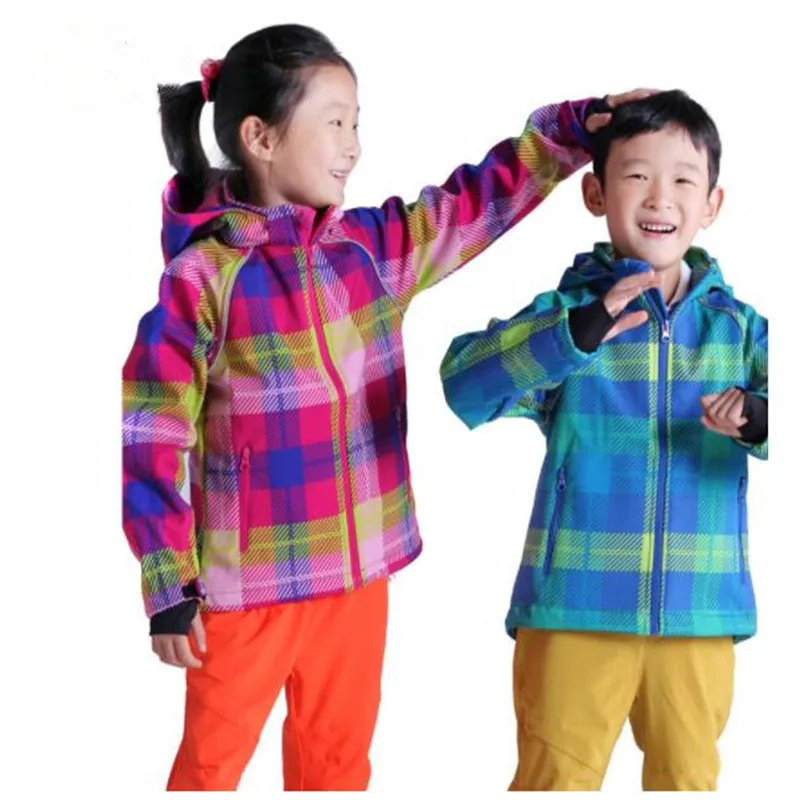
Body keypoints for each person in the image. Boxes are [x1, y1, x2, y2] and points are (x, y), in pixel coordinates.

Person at [121, 21, 648, 792]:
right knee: (210, 767)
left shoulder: (370, 251)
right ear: (261, 138)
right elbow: (153, 431)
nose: (353, 145)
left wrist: (570, 133)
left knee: (337, 765)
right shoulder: (203, 279)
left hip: (356, 576)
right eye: (335, 123)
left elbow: (475, 203)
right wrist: (169, 583)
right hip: (244, 588)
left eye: (356, 123)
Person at [439, 89, 768, 791]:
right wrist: (576, 335)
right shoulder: (569, 315)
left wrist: (759, 417)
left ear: (712, 204)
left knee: (688, 782)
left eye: (683, 180)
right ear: (595, 193)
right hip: (574, 606)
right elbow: (465, 383)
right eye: (636, 175)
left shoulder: (741, 330)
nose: (660, 198)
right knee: (555, 782)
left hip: (700, 609)